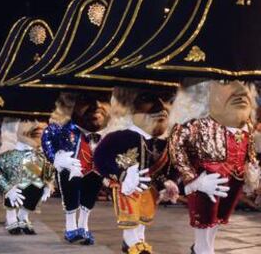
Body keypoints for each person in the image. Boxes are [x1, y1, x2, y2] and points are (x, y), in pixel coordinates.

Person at [168, 80, 260, 254]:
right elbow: (176, 148)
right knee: (204, 216)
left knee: (220, 217)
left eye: (245, 83)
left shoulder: (246, 125)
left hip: (236, 176)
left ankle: (206, 247)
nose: (241, 90)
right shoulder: (194, 124)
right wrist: (193, 180)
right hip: (207, 177)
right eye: (226, 82)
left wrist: (252, 167)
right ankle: (202, 248)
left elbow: (249, 148)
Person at [94, 88, 179, 254]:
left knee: (145, 214)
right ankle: (131, 241)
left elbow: (164, 167)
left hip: (149, 187)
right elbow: (100, 158)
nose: (160, 107)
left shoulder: (161, 144)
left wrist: (167, 182)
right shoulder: (119, 137)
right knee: (130, 212)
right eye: (149, 100)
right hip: (125, 186)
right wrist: (121, 175)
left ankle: (139, 240)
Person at [42, 92, 111, 245]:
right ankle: (70, 227)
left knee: (90, 195)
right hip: (72, 166)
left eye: (104, 99)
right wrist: (55, 158)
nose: (97, 106)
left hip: (95, 169)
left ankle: (83, 226)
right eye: (87, 99)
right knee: (71, 194)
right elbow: (47, 135)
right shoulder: (65, 129)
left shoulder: (107, 134)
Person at [0, 120, 55, 235]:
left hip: (34, 185)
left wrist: (48, 184)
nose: (38, 126)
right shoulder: (9, 154)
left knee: (35, 192)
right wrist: (7, 188)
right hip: (16, 185)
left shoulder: (41, 155)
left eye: (42, 122)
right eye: (29, 121)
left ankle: (23, 216)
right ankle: (11, 217)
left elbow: (47, 169)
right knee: (15, 193)